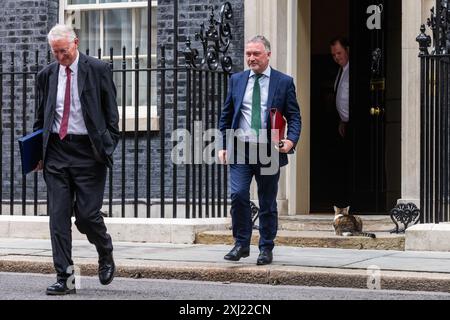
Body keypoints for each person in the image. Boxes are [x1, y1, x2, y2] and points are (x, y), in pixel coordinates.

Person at [33, 24, 120, 295]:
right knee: (58, 218)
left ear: (76, 43)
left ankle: (105, 252)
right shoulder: (46, 75)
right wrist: (38, 153)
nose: (61, 57)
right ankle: (66, 279)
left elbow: (111, 115)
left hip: (88, 153)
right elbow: (41, 117)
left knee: (86, 216)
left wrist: (107, 145)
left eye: (64, 51)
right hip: (57, 152)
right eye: (55, 52)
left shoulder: (98, 70)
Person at [218, 35, 301, 266]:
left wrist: (291, 141)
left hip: (268, 150)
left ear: (268, 54)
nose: (251, 58)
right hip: (240, 149)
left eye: (256, 54)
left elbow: (294, 116)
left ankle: (266, 247)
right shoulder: (236, 80)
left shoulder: (283, 82)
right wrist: (223, 145)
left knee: (267, 201)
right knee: (238, 195)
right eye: (248, 54)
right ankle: (241, 244)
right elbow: (225, 116)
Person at [330, 36, 351, 209]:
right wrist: (342, 120)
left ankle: (350, 202)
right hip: (344, 124)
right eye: (334, 54)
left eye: (339, 52)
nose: (337, 57)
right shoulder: (341, 69)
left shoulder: (352, 70)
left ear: (347, 50)